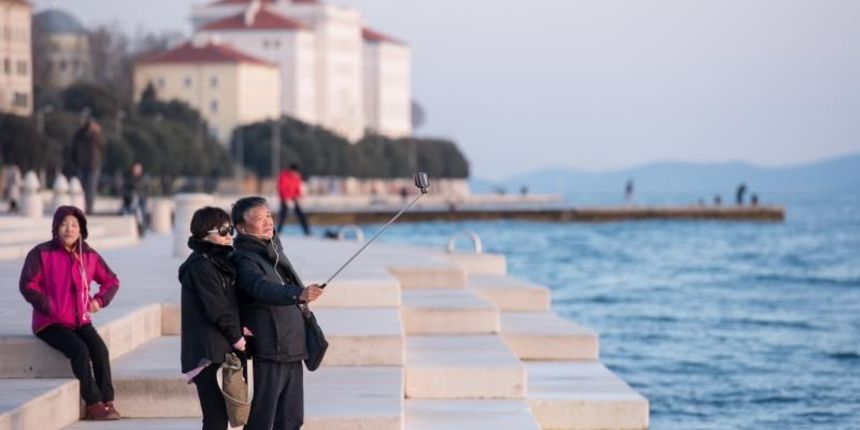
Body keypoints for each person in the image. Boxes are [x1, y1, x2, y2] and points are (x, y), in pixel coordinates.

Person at [180, 206, 312, 430]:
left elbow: (231, 303)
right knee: (215, 419)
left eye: (230, 229)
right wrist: (237, 338)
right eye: (223, 231)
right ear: (204, 233)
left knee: (226, 418)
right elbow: (218, 308)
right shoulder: (200, 265)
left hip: (220, 351)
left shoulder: (220, 262)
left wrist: (241, 328)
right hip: (207, 355)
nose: (229, 235)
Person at [19, 206, 121, 420]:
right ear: (56, 227)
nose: (69, 229)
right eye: (64, 224)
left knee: (100, 350)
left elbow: (111, 280)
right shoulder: (41, 253)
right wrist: (48, 305)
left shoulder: (89, 255)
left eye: (74, 225)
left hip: (80, 320)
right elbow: (28, 284)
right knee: (80, 351)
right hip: (50, 322)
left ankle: (107, 401)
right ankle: (93, 404)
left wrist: (99, 300)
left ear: (81, 229)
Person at [230, 197, 324, 430]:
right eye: (259, 219)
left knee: (292, 420)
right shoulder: (244, 259)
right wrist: (298, 293)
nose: (268, 222)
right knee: (263, 419)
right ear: (242, 228)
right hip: (271, 350)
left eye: (269, 216)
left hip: (292, 349)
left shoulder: (272, 252)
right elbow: (261, 288)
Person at [71, 119, 106, 214]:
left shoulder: (92, 136)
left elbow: (102, 145)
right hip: (85, 165)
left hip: (92, 166)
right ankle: (86, 209)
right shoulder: (84, 136)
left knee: (89, 189)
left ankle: (89, 210)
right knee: (84, 189)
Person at [276, 164, 310, 236]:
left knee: (301, 215)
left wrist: (300, 196)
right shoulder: (284, 176)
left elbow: (297, 188)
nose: (295, 174)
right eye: (294, 172)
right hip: (284, 199)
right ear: (291, 171)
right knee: (283, 215)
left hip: (294, 198)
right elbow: (282, 188)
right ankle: (278, 232)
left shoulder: (297, 177)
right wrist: (286, 198)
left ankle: (307, 231)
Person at [122, 163, 149, 236]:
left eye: (138, 169)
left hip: (140, 199)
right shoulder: (129, 178)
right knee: (129, 210)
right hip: (130, 200)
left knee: (140, 213)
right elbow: (125, 190)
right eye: (135, 169)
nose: (136, 171)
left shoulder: (144, 178)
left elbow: (145, 190)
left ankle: (142, 231)